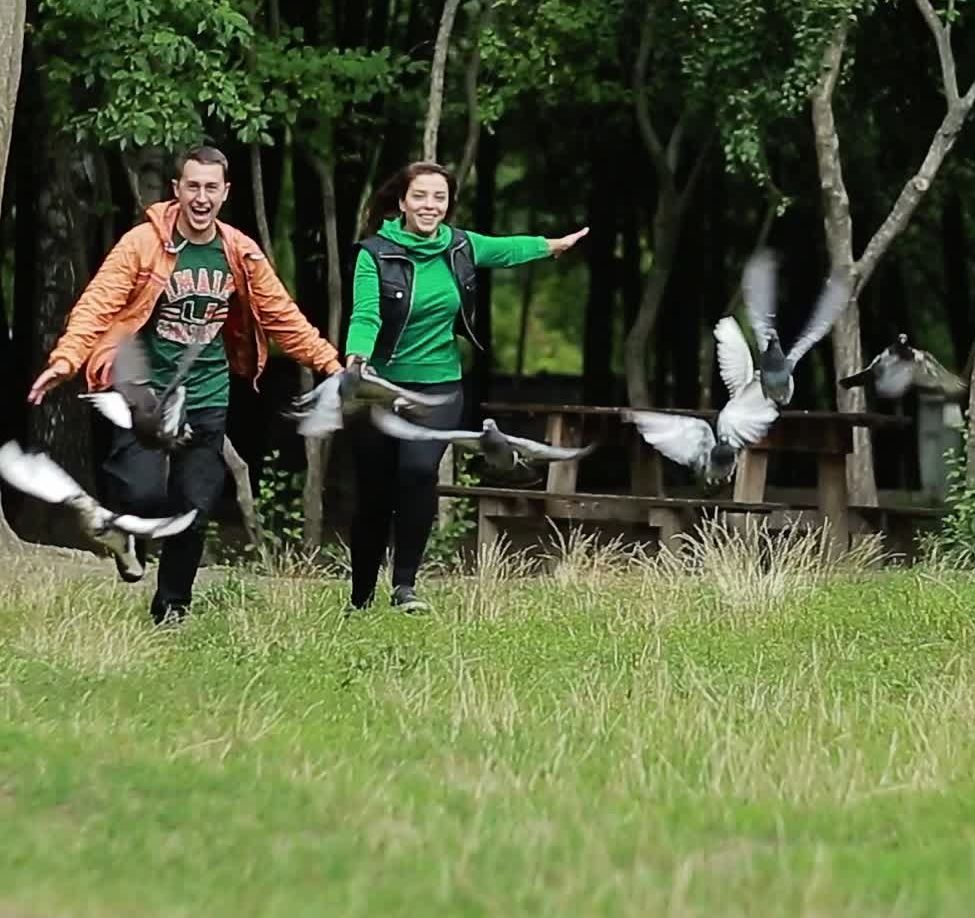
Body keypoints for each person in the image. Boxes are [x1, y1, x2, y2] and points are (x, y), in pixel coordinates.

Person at [28, 144, 342, 623]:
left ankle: (172, 606)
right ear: (177, 189)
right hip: (143, 394)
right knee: (142, 493)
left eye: (210, 188)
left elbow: (282, 317)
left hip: (207, 395)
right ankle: (126, 532)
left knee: (193, 507)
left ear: (225, 192)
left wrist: (331, 365)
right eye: (192, 186)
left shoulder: (238, 252)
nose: (201, 197)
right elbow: (98, 304)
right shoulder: (142, 244)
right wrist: (67, 359)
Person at [345, 161, 587, 613]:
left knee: (418, 474)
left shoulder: (459, 246)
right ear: (402, 202)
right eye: (420, 196)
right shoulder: (372, 253)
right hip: (378, 387)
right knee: (375, 491)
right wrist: (356, 358)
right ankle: (360, 596)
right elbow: (366, 314)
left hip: (439, 383)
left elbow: (507, 249)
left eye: (439, 197)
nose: (430, 206)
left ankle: (405, 588)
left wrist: (552, 246)